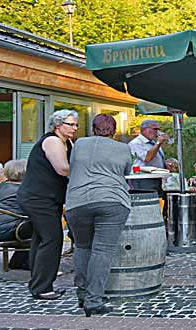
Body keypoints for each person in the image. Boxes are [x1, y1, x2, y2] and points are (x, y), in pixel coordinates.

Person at [65, 114, 132, 316]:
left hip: (77, 202)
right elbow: (127, 171)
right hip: (111, 201)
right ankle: (94, 301)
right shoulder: (123, 148)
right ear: (114, 129)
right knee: (102, 250)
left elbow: (74, 166)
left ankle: (82, 294)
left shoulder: (79, 144)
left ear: (93, 127)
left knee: (83, 247)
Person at [18, 109, 78, 300]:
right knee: (52, 239)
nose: (75, 128)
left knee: (40, 239)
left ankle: (38, 285)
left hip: (45, 198)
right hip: (39, 198)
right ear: (58, 125)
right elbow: (62, 169)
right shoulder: (52, 141)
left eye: (76, 124)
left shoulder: (66, 141)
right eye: (71, 124)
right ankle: (43, 288)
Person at [0, 159, 31, 270]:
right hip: (11, 232)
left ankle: (18, 261)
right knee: (44, 226)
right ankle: (31, 264)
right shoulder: (24, 190)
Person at [128, 120, 169, 192]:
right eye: (155, 129)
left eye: (159, 129)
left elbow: (155, 159)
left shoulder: (153, 143)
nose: (157, 132)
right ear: (144, 130)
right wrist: (158, 143)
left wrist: (166, 165)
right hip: (143, 179)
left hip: (157, 178)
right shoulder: (135, 143)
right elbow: (147, 158)